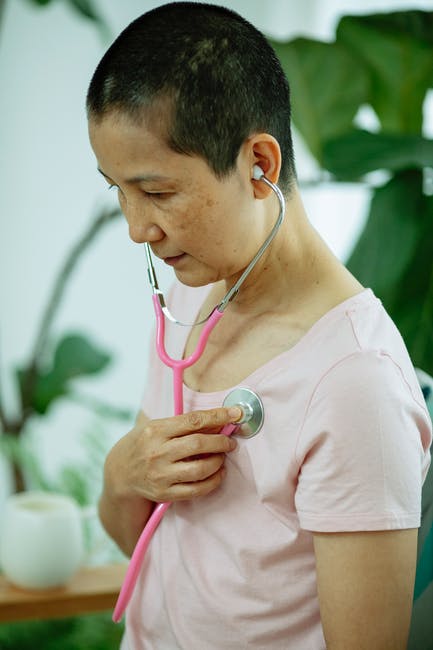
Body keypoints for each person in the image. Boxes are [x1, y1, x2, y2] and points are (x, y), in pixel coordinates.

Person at [86, 3, 432, 649]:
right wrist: (119, 475)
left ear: (259, 166)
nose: (136, 228)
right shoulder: (189, 294)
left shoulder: (354, 383)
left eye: (157, 193)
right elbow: (152, 548)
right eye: (118, 190)